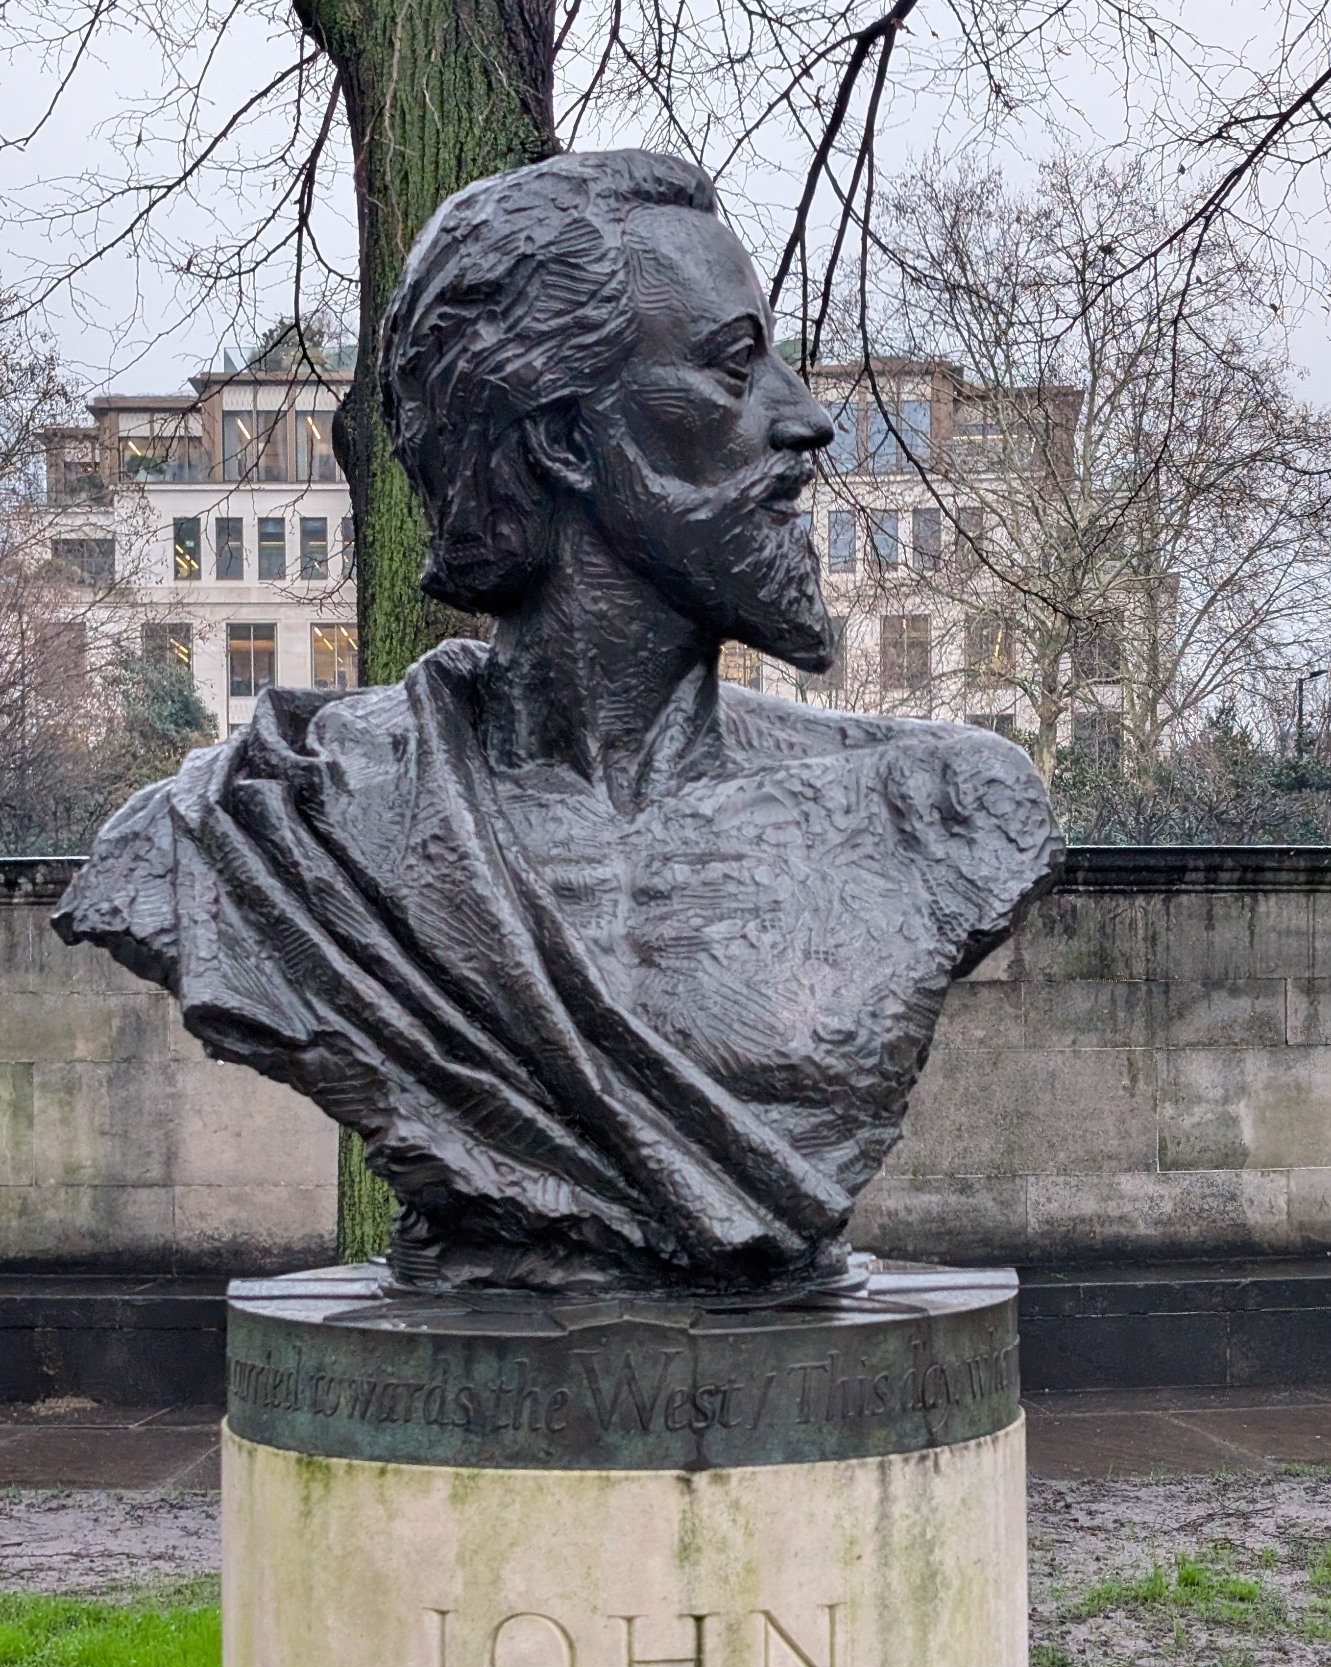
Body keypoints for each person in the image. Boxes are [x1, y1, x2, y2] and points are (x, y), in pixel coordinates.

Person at [55, 150, 1061, 1292]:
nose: (806, 420)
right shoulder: (265, 823)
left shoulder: (940, 812)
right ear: (564, 440)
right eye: (734, 365)